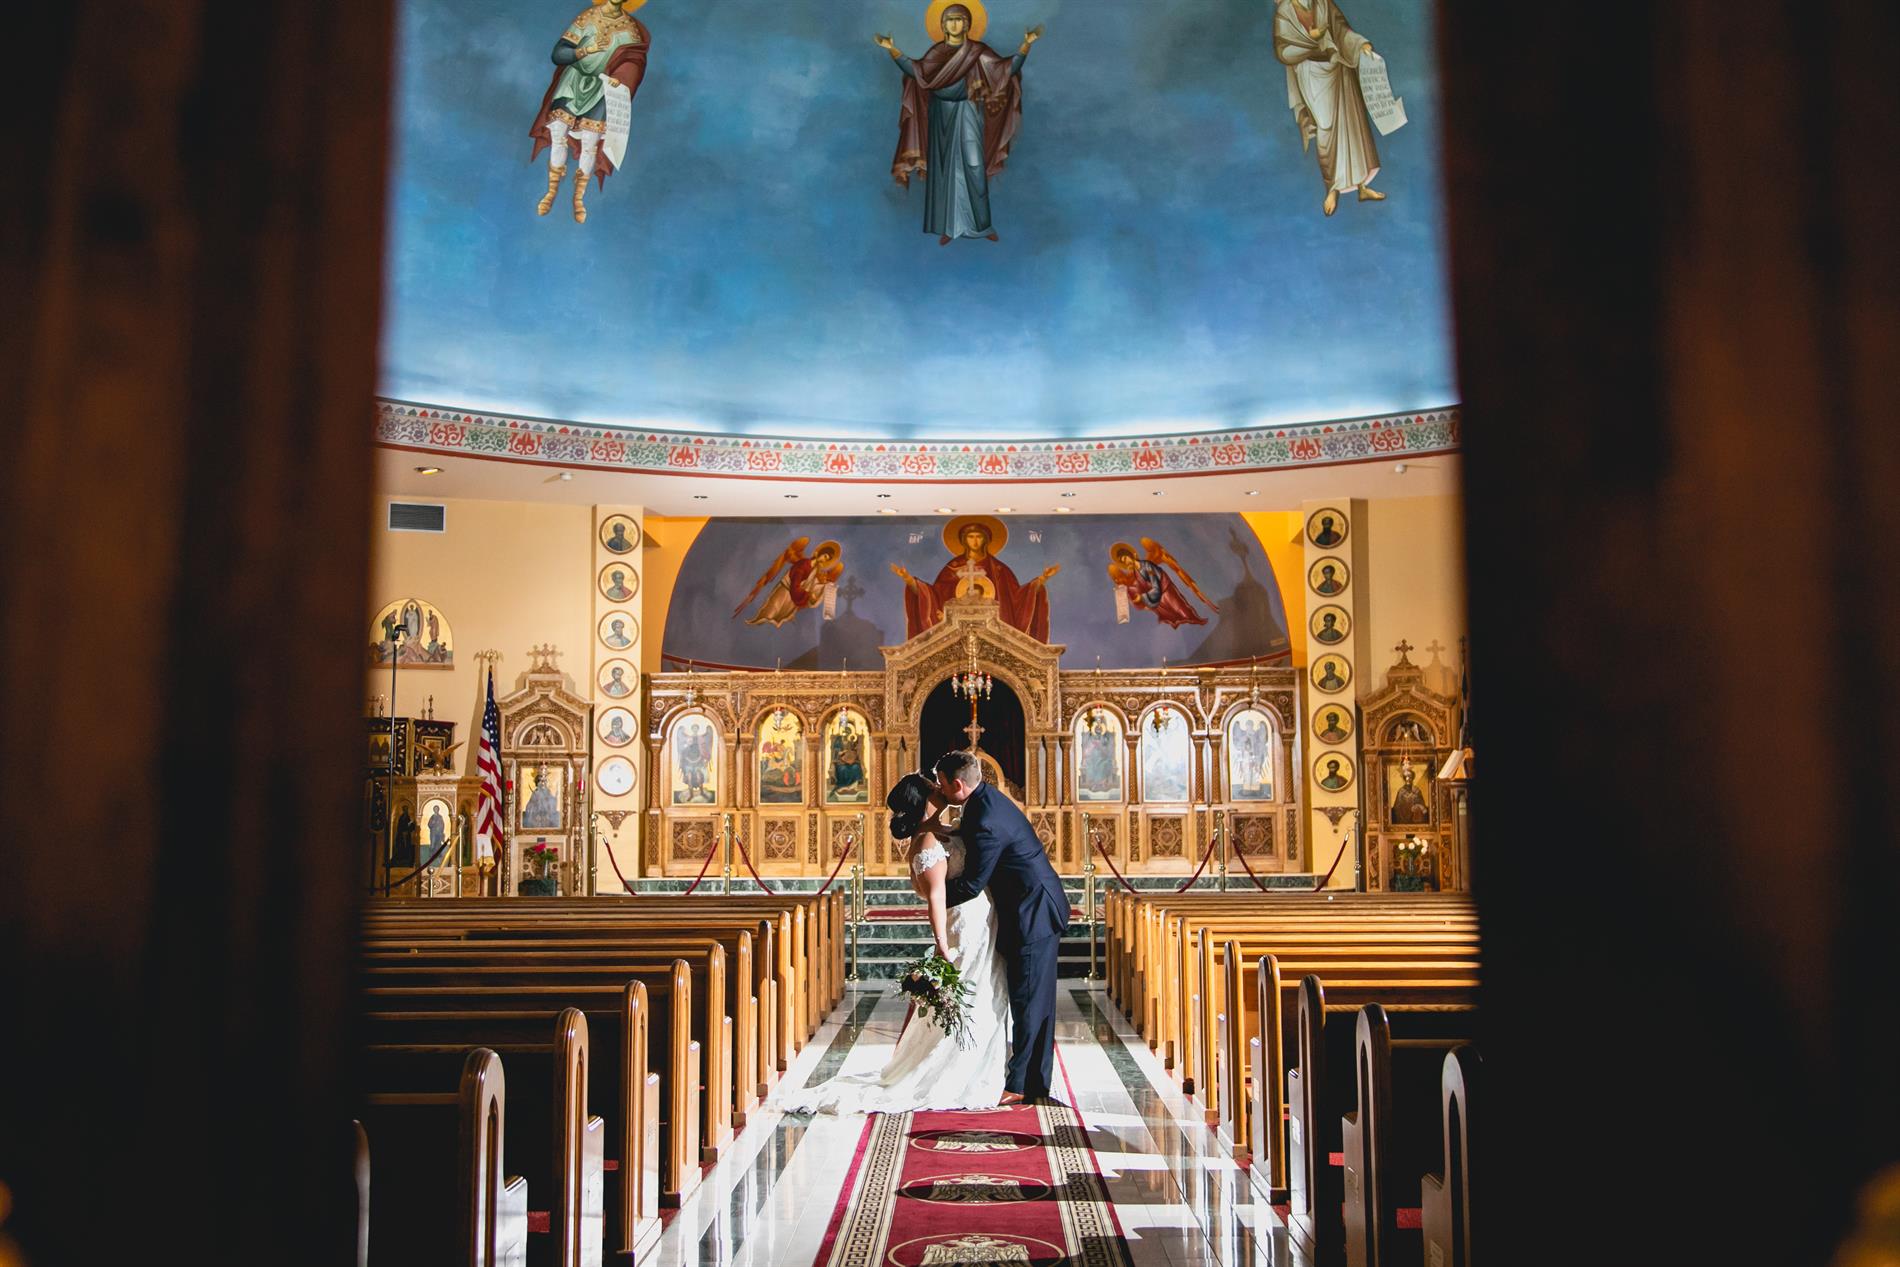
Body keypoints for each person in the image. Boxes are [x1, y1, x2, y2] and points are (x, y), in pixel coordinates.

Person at [779, 773, 1012, 1113]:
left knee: (986, 993)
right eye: (933, 789)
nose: (939, 789)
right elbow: (936, 897)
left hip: (979, 920)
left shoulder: (935, 830)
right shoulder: (926, 842)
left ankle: (978, 1065)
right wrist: (942, 945)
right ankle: (955, 1072)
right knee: (972, 995)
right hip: (963, 925)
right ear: (923, 801)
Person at [936, 750, 1070, 1104]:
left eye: (942, 783)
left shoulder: (986, 818)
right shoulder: (984, 800)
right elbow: (968, 833)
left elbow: (971, 884)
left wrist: (932, 897)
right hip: (1030, 906)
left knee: (1028, 1001)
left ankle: (1020, 1084)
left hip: (1033, 912)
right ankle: (1034, 1081)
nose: (939, 789)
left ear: (957, 785)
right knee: (1035, 1000)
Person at [875, 8, 1041, 244]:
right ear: (943, 25)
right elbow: (917, 72)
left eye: (959, 20)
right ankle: (949, 227)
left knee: (974, 166)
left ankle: (981, 225)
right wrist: (892, 49)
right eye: (950, 20)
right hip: (940, 115)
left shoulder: (977, 52)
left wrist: (1026, 45)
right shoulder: (937, 53)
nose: (954, 24)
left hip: (968, 111)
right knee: (944, 170)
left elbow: (1005, 70)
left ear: (967, 24)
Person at [528, 0, 652, 223]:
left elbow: (634, 63)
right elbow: (558, 54)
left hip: (601, 89)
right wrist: (586, 50)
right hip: (573, 82)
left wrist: (620, 78)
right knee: (558, 134)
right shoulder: (588, 17)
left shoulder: (631, 29)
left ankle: (578, 199)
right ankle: (551, 191)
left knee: (590, 143)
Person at [1272, 0, 1386, 217]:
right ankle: (1332, 188)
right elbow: (1283, 51)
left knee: (1352, 124)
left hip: (1338, 67)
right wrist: (1312, 40)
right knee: (1326, 127)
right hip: (1311, 74)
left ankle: (1361, 186)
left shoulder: (1323, 2)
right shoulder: (1285, 11)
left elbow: (1341, 31)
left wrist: (1360, 45)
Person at [893, 518, 1058, 641]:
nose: (975, 540)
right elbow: (932, 595)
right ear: (964, 540)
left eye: (979, 536)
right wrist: (909, 580)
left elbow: (1017, 597)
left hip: (995, 634)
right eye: (971, 536)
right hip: (955, 634)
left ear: (985, 539)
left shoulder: (999, 569)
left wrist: (1042, 579)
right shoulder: (952, 568)